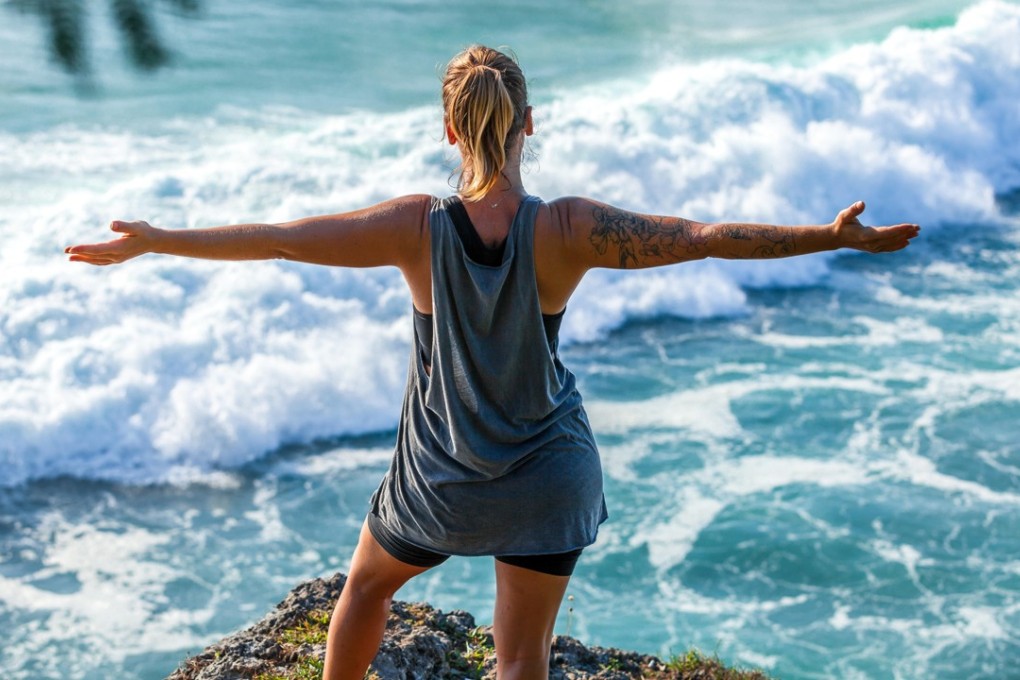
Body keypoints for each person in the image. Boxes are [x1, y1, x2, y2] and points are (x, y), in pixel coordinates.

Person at [66, 44, 919, 680]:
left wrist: (158, 242)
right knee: (521, 663)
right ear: (531, 124)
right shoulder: (570, 229)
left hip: (442, 483)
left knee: (364, 594)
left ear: (448, 129)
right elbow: (702, 240)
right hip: (550, 477)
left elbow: (284, 239)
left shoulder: (413, 226)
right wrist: (827, 237)